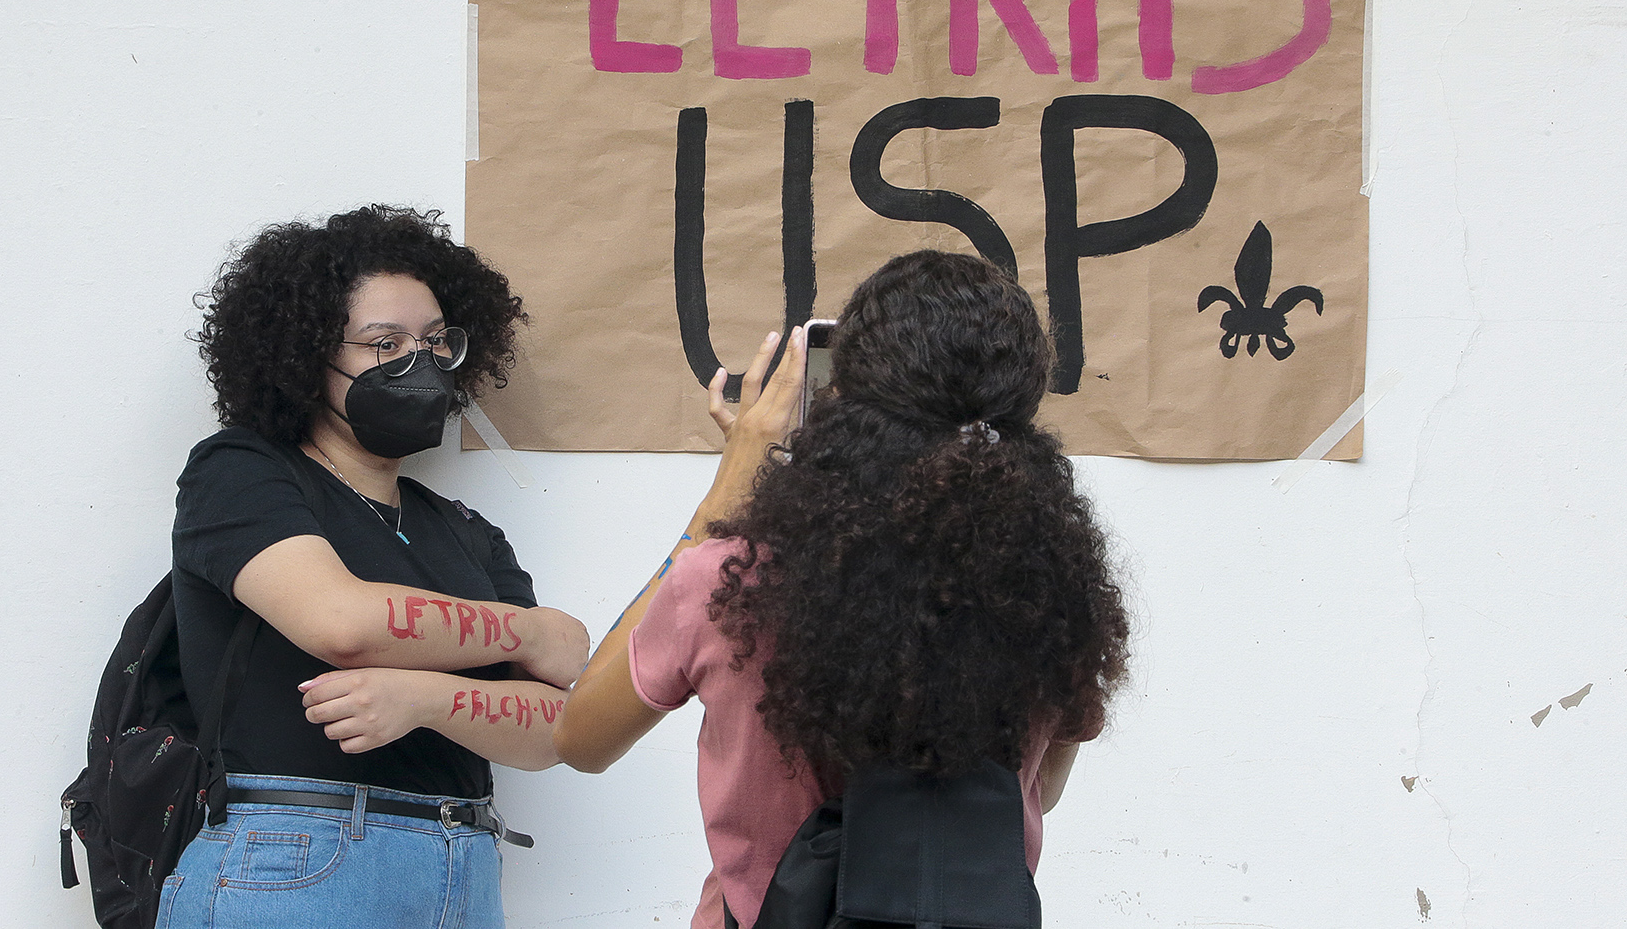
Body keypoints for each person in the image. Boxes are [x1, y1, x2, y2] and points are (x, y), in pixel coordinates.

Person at [553, 250, 1131, 928]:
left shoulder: (732, 579)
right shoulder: (1051, 591)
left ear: (841, 400)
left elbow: (580, 740)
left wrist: (729, 486)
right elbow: (1042, 791)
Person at [158, 205, 590, 929]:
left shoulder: (465, 531)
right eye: (383, 343)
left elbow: (558, 727)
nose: (417, 364)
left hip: (464, 866)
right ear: (303, 356)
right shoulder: (242, 473)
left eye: (433, 341)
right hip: (297, 859)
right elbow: (342, 621)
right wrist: (528, 631)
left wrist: (424, 698)